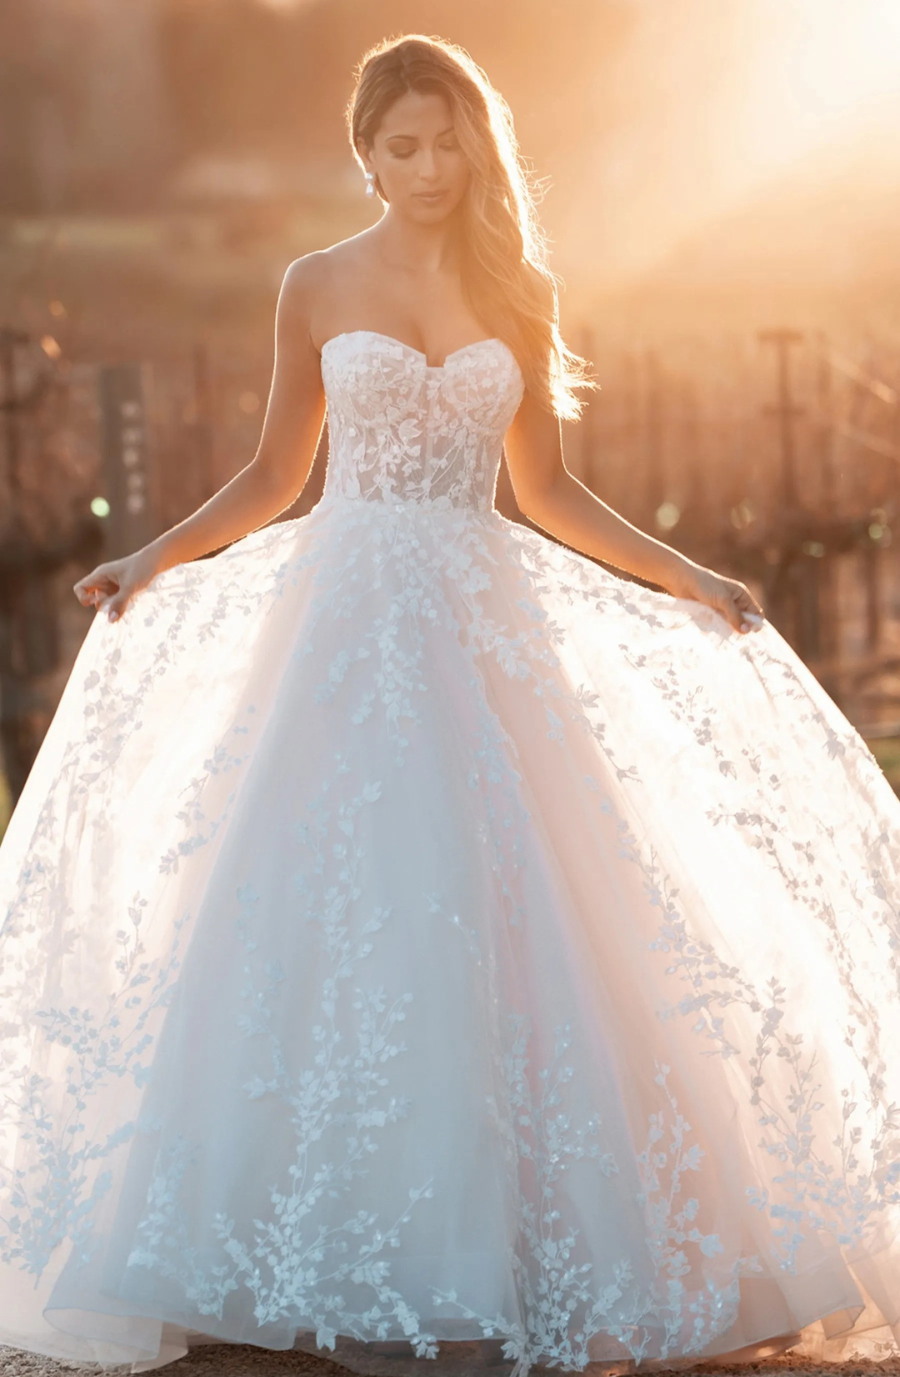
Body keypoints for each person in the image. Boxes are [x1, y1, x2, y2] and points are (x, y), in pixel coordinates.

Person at [1, 31, 899, 1377]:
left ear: (479, 142)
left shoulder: (518, 286)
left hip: (485, 628)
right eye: (399, 145)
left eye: (445, 140)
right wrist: (150, 555)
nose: (426, 167)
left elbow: (548, 494)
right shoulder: (313, 283)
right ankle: (285, 1241)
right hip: (346, 626)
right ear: (364, 155)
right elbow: (271, 478)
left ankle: (540, 1240)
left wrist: (693, 572)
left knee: (532, 913)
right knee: (325, 907)